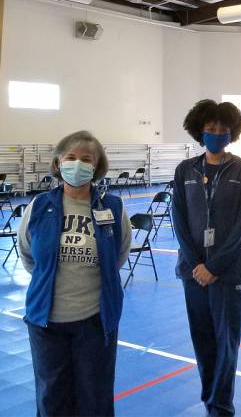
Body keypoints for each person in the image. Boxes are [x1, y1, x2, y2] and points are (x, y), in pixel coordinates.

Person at [18, 130, 132, 416]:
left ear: (96, 167)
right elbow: (28, 256)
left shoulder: (114, 208)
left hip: (95, 321)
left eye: (86, 159)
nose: (77, 164)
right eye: (71, 157)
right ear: (58, 163)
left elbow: (118, 257)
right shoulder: (39, 206)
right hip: (46, 323)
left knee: (95, 398)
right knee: (51, 399)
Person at [172, 99, 241, 416]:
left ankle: (221, 406)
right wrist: (197, 264)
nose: (217, 135)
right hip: (193, 273)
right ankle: (211, 398)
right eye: (210, 130)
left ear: (232, 133)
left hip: (229, 272)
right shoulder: (185, 170)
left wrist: (214, 266)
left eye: (223, 130)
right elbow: (179, 219)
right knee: (203, 341)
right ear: (200, 132)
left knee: (226, 343)